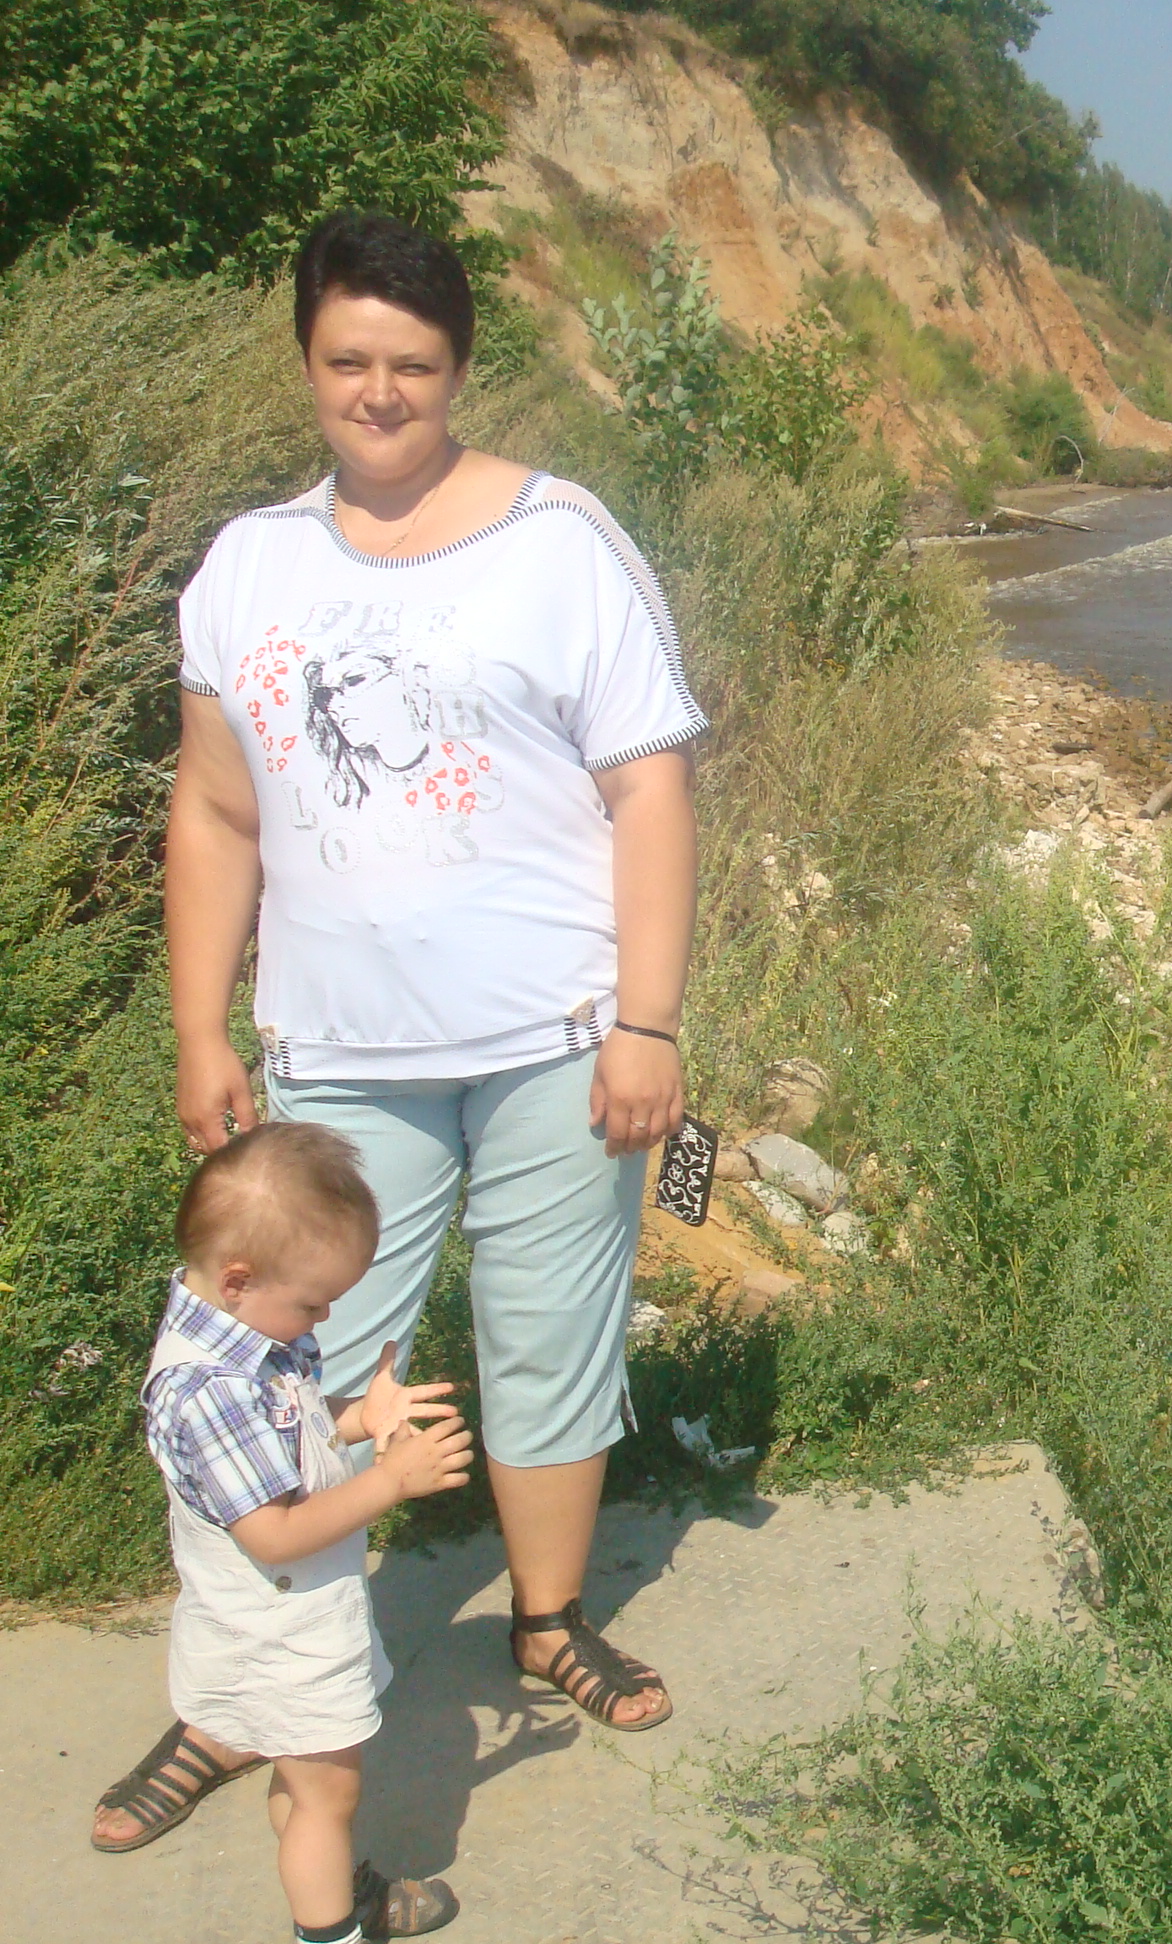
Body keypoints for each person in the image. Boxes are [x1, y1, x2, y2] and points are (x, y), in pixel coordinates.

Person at [92, 206, 705, 1852]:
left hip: (557, 1039)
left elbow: (649, 786)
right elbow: (216, 812)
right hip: (337, 1053)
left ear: (459, 368)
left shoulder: (562, 543)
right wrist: (200, 1027)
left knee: (547, 1334)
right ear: (307, 359)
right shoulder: (248, 567)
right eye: (348, 359)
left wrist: (647, 1023)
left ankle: (548, 1618)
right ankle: (240, 1699)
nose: (379, 393)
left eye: (413, 365)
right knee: (287, 1375)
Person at [139, 1121, 473, 1940]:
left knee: (307, 1789)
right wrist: (392, 1481)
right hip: (276, 1637)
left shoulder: (249, 1337)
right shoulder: (210, 1390)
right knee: (329, 1795)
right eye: (314, 1302)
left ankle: (331, 1885)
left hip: (287, 1625)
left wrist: (357, 1417)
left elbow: (286, 1433)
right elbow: (275, 1535)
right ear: (239, 1278)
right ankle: (332, 1928)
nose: (325, 1316)